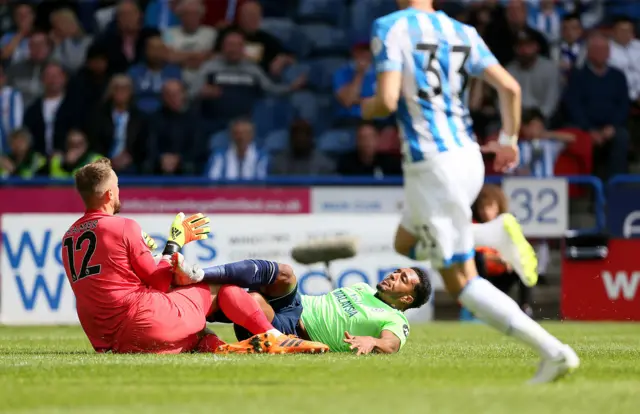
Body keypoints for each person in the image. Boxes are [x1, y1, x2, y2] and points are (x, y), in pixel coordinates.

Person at [359, 0, 578, 383]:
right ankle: (490, 234)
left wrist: (365, 107)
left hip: (432, 165)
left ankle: (554, 352)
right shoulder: (463, 31)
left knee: (462, 282)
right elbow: (509, 87)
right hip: (466, 155)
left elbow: (386, 102)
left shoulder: (390, 27)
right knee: (404, 243)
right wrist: (509, 140)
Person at [61, 157, 328, 355]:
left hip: (110, 343)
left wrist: (151, 255)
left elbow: (109, 284)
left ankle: (222, 348)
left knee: (190, 322)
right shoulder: (123, 226)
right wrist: (175, 243)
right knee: (221, 286)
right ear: (109, 193)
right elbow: (159, 282)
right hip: (145, 323)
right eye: (117, 186)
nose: (119, 192)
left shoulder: (69, 237)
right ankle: (273, 336)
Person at [171, 254, 431, 355]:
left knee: (243, 297)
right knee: (284, 273)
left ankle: (174, 308)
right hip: (295, 303)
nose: (394, 275)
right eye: (396, 270)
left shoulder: (396, 320)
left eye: (402, 278)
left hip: (293, 329)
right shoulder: (362, 288)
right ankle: (199, 274)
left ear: (407, 299)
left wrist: (373, 342)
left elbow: (392, 344)